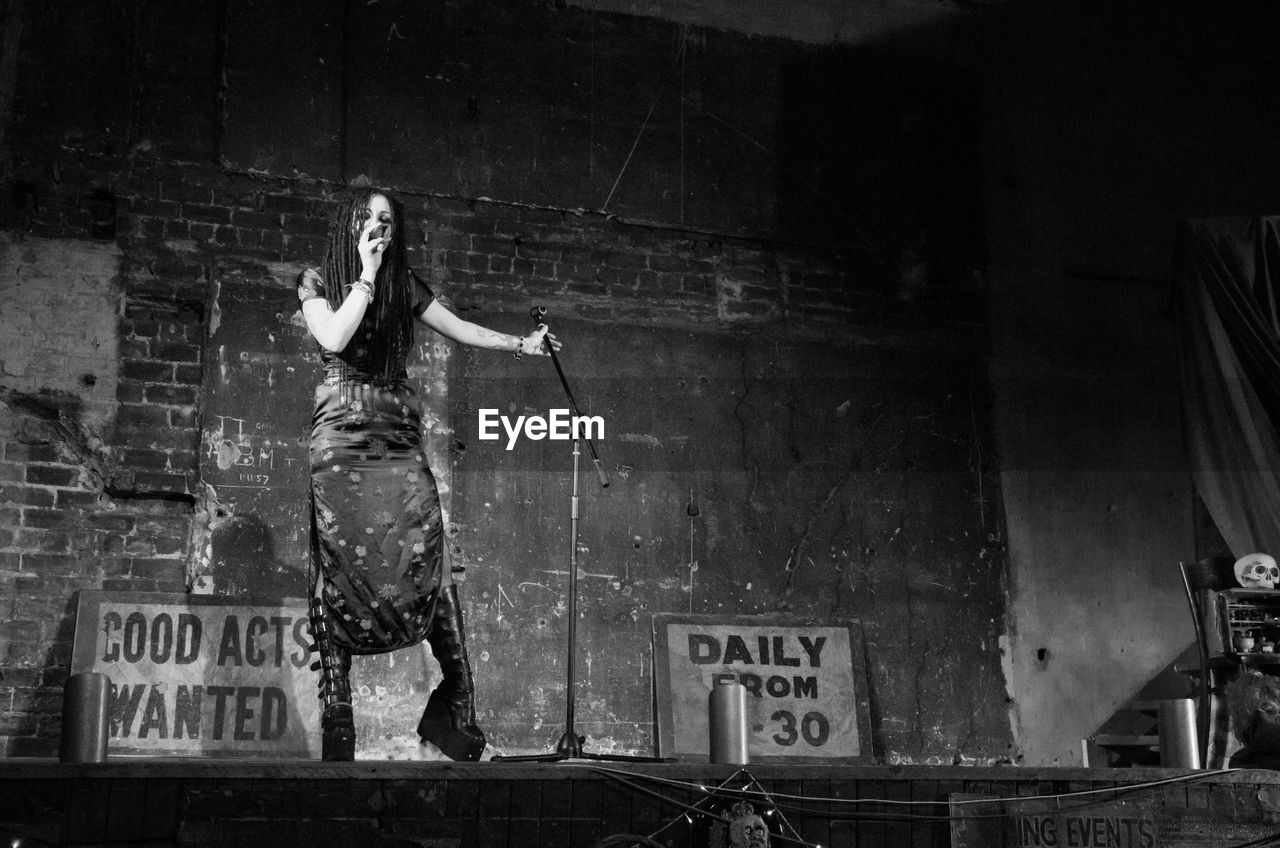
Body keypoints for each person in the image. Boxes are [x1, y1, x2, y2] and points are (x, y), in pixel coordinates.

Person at [296, 188, 558, 761]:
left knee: (425, 547)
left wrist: (522, 345)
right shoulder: (316, 280)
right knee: (341, 555)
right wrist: (363, 275)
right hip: (341, 431)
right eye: (369, 218)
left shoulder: (403, 284)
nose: (379, 227)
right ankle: (338, 714)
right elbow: (335, 337)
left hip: (395, 426)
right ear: (350, 226)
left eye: (388, 220)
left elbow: (460, 327)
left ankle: (457, 707)